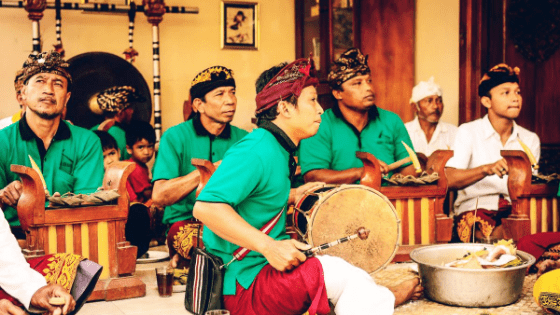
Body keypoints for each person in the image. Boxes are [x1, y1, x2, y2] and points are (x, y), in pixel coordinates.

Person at [193, 58, 422, 315]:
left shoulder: (277, 148)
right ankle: (383, 299)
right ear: (285, 108)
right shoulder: (256, 148)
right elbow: (205, 208)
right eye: (312, 100)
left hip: (257, 277)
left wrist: (291, 195)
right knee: (338, 274)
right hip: (244, 287)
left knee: (344, 270)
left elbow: (254, 197)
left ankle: (375, 299)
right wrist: (270, 247)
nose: (321, 109)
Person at [152, 66, 248, 267]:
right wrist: (207, 170)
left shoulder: (244, 140)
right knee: (205, 248)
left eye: (232, 92)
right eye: (220, 94)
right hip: (187, 223)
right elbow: (160, 196)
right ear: (198, 105)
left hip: (232, 222)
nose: (230, 100)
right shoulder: (175, 137)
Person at [0, 51, 104, 232]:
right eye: (40, 81)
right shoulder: (2, 141)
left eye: (58, 84)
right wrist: (2, 196)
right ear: (23, 93)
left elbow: (89, 206)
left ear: (67, 97)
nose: (48, 89)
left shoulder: (87, 142)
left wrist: (61, 207)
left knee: (93, 263)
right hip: (13, 243)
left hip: (70, 238)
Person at [445, 63, 540, 243]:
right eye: (506, 93)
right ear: (486, 101)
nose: (515, 98)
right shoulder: (468, 131)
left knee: (522, 230)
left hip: (516, 210)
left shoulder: (530, 139)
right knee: (486, 235)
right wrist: (486, 169)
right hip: (475, 207)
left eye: (517, 92)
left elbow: (532, 188)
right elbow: (449, 179)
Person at [299, 48, 417, 184]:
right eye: (357, 83)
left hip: (388, 202)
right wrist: (361, 172)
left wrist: (400, 180)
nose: (368, 88)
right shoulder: (320, 124)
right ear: (338, 93)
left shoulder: (392, 121)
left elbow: (409, 167)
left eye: (369, 81)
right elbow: (313, 176)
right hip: (337, 202)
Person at [405, 76, 457, 156]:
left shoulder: (454, 132)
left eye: (439, 101)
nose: (436, 106)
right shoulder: (405, 131)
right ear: (415, 107)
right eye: (429, 101)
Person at [91, 86, 144, 161]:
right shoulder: (124, 136)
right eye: (130, 108)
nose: (132, 111)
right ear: (120, 112)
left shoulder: (91, 131)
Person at [125, 120, 155, 204]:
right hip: (136, 208)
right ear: (129, 149)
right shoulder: (135, 168)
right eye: (141, 147)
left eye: (150, 146)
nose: (146, 152)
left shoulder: (140, 165)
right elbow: (147, 193)